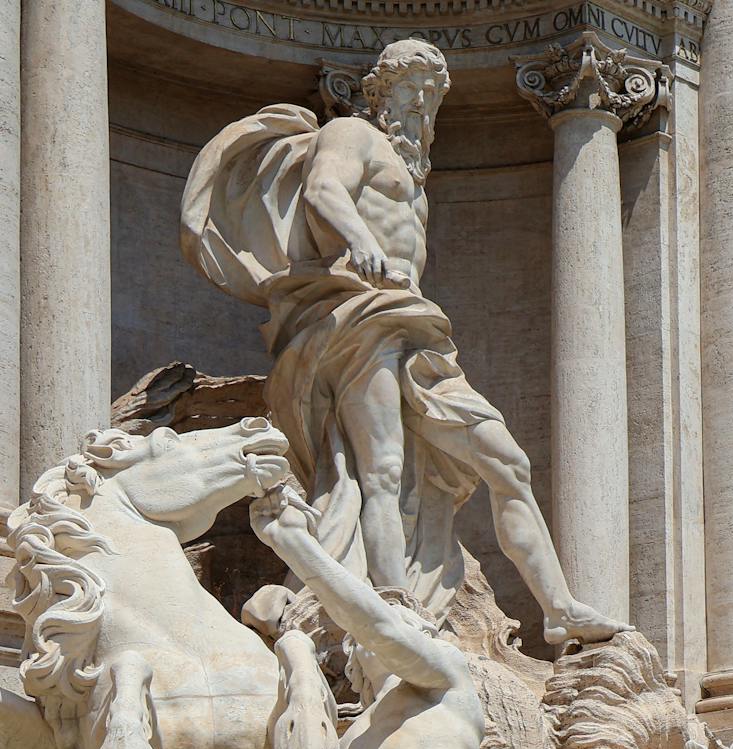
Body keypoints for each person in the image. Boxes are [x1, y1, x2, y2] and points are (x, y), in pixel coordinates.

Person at [182, 39, 623, 649]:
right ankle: (393, 610)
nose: (421, 103)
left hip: (413, 325)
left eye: (431, 93)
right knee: (381, 470)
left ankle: (560, 608)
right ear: (379, 93)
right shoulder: (353, 136)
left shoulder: (415, 172)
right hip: (356, 318)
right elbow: (323, 192)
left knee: (508, 462)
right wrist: (359, 238)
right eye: (409, 88)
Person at [250, 483, 484, 749]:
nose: (366, 635)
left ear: (423, 632)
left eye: (394, 616)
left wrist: (294, 545)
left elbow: (378, 627)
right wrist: (292, 657)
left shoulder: (448, 680)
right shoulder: (353, 736)